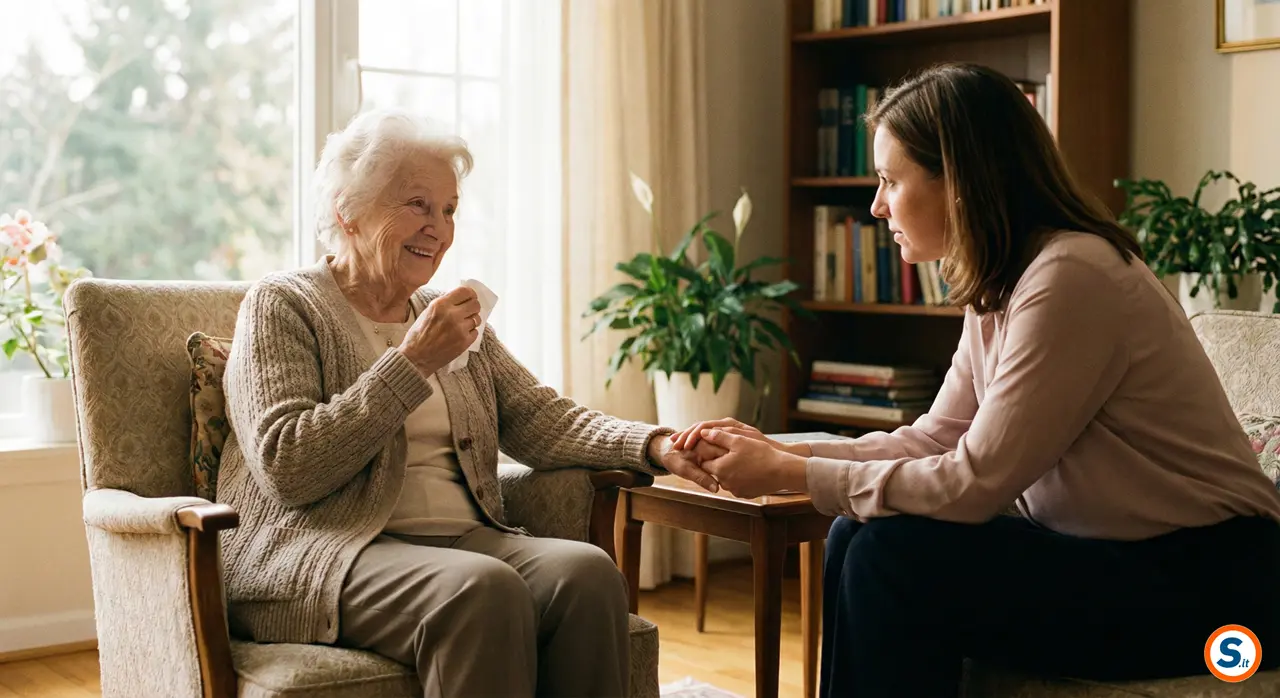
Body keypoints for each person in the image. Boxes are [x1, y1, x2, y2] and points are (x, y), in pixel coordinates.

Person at [670, 62, 1280, 697]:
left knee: (891, 558)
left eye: (889, 180)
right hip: (1117, 560)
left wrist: (790, 475)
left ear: (957, 181)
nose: (876, 205)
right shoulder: (1002, 283)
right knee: (857, 531)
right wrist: (782, 450)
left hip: (1215, 586)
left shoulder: (1073, 276)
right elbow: (935, 439)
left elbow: (973, 482)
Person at [216, 107, 719, 698]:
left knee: (588, 575)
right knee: (482, 589)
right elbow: (287, 466)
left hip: (460, 541)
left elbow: (541, 417)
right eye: (417, 205)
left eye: (448, 210)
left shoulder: (449, 313)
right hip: (324, 550)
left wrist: (654, 443)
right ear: (346, 210)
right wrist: (411, 362)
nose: (438, 227)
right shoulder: (283, 305)